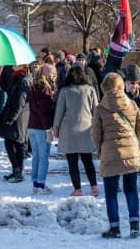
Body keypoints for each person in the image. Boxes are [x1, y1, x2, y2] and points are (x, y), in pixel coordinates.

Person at [93, 73, 140, 239]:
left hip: (110, 152)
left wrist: (100, 149)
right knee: (131, 189)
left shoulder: (100, 108)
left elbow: (96, 134)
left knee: (111, 192)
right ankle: (134, 225)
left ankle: (114, 228)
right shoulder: (132, 104)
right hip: (131, 152)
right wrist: (134, 142)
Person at [53, 64, 100, 196]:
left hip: (69, 130)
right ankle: (94, 186)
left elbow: (59, 112)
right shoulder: (90, 90)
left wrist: (56, 128)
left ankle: (78, 189)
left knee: (72, 162)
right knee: (88, 160)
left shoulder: (65, 91)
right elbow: (96, 111)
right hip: (86, 129)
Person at [0, 65, 31, 183]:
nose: (12, 66)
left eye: (15, 65)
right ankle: (17, 170)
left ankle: (18, 171)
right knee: (15, 143)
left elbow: (21, 101)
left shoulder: (24, 80)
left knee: (14, 143)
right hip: (18, 115)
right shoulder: (19, 78)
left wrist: (12, 118)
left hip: (18, 117)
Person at [28, 65, 54, 193]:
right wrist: (48, 129)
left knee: (36, 156)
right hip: (41, 127)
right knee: (44, 157)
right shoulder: (45, 89)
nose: (54, 76)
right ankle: (41, 185)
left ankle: (35, 184)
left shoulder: (33, 88)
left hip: (31, 126)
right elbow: (44, 111)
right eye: (52, 74)